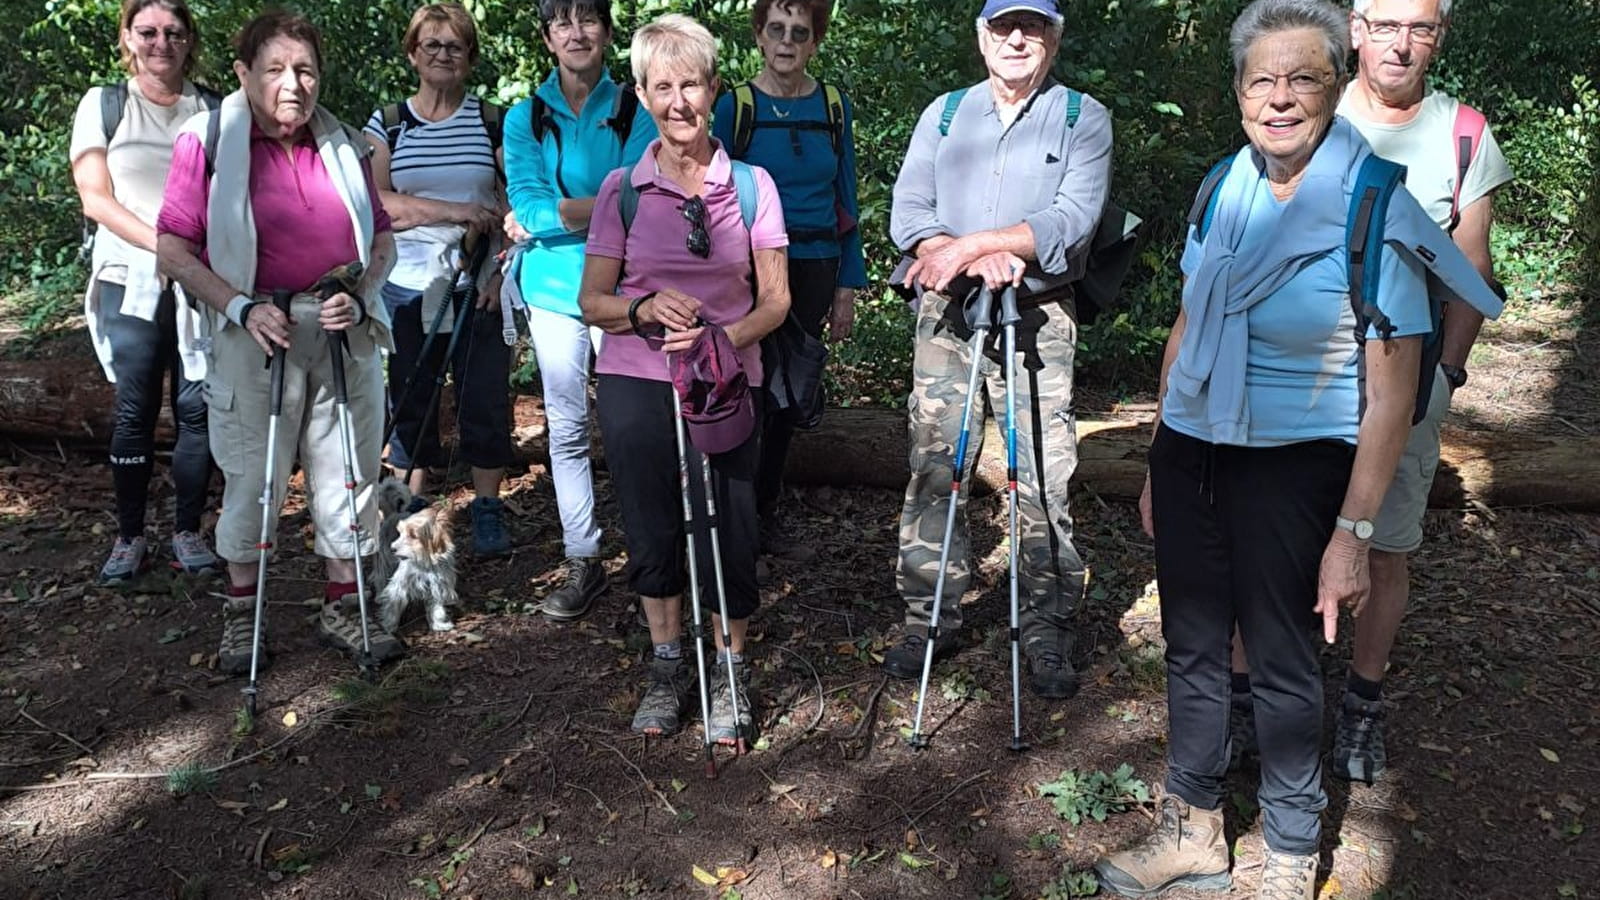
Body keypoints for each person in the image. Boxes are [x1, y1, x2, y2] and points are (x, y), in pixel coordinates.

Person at [1092, 1, 1500, 896]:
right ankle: (1192, 826)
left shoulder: (1373, 206)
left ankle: (1285, 851)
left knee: (1279, 656)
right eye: (1261, 80)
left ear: (1332, 89)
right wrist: (1163, 446)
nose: (1280, 98)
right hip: (1196, 446)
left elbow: (1392, 393)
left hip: (1296, 455)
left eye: (1303, 78)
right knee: (1194, 643)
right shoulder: (1222, 186)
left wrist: (1354, 531)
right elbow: (1189, 325)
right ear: (1238, 91)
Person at [1229, 0, 1514, 785]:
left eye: (1421, 27)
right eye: (1386, 24)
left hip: (1404, 388)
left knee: (1382, 549)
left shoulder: (1462, 136)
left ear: (1440, 37)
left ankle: (1361, 701)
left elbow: (1472, 273)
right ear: (1355, 29)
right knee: (1270, 542)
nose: (1401, 43)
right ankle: (1247, 698)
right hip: (1292, 387)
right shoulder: (1307, 102)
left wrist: (1446, 379)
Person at [156, 10, 403, 674]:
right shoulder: (205, 141)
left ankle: (344, 605)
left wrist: (363, 292)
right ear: (243, 74)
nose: (293, 84)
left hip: (338, 330)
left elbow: (381, 238)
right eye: (275, 70)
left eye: (305, 70)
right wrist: (239, 306)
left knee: (349, 474)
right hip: (254, 332)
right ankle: (243, 617)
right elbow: (173, 250)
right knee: (253, 482)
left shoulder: (345, 144)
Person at [884, 0, 1109, 700]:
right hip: (946, 311)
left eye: (1033, 26)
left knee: (1041, 470)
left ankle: (1045, 625)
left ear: (1053, 38)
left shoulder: (1082, 117)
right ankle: (930, 615)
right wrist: (950, 256)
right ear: (982, 37)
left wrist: (980, 245)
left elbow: (1072, 219)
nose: (1018, 38)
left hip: (1037, 317)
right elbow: (908, 210)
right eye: (1004, 26)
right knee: (933, 463)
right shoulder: (945, 114)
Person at [578, 14, 790, 742]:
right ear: (640, 95)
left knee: (732, 523)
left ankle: (729, 671)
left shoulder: (755, 187)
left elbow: (777, 301)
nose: (677, 102)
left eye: (690, 84)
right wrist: (640, 308)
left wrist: (715, 345)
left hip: (727, 378)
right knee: (651, 521)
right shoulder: (621, 190)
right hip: (636, 375)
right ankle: (668, 665)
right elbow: (593, 302)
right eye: (661, 86)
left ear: (713, 91)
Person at [502, 0, 655, 617]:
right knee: (565, 429)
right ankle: (582, 557)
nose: (576, 32)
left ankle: (653, 553)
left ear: (607, 32)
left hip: (621, 288)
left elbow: (641, 198)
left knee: (634, 426)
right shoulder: (525, 117)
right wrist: (591, 204)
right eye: (562, 22)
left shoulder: (631, 107)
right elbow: (526, 205)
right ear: (547, 38)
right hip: (552, 294)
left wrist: (552, 215)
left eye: (587, 19)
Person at [70, 0, 220, 583]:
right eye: (149, 32)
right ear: (128, 38)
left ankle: (187, 530)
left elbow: (231, 191)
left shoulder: (212, 108)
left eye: (174, 32)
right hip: (127, 280)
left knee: (196, 408)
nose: (162, 43)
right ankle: (130, 536)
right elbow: (96, 198)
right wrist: (168, 250)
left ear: (189, 40)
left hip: (200, 284)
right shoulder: (105, 105)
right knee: (135, 410)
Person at [711, 0, 866, 558]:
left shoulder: (832, 106)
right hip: (750, 268)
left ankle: (764, 510)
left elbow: (846, 199)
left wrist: (848, 285)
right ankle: (732, 514)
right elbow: (713, 195)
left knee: (788, 396)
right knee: (746, 385)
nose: (787, 41)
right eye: (776, 29)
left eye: (799, 32)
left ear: (814, 42)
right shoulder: (736, 107)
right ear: (758, 35)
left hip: (816, 266)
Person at [364, 2, 514, 558]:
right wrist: (453, 212)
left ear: (470, 56)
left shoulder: (493, 121)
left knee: (484, 398)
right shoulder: (388, 123)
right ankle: (410, 515)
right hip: (405, 284)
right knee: (410, 399)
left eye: (455, 45)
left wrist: (501, 270)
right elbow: (378, 204)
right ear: (413, 54)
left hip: (477, 282)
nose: (443, 54)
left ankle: (488, 509)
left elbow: (510, 202)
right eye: (432, 45)